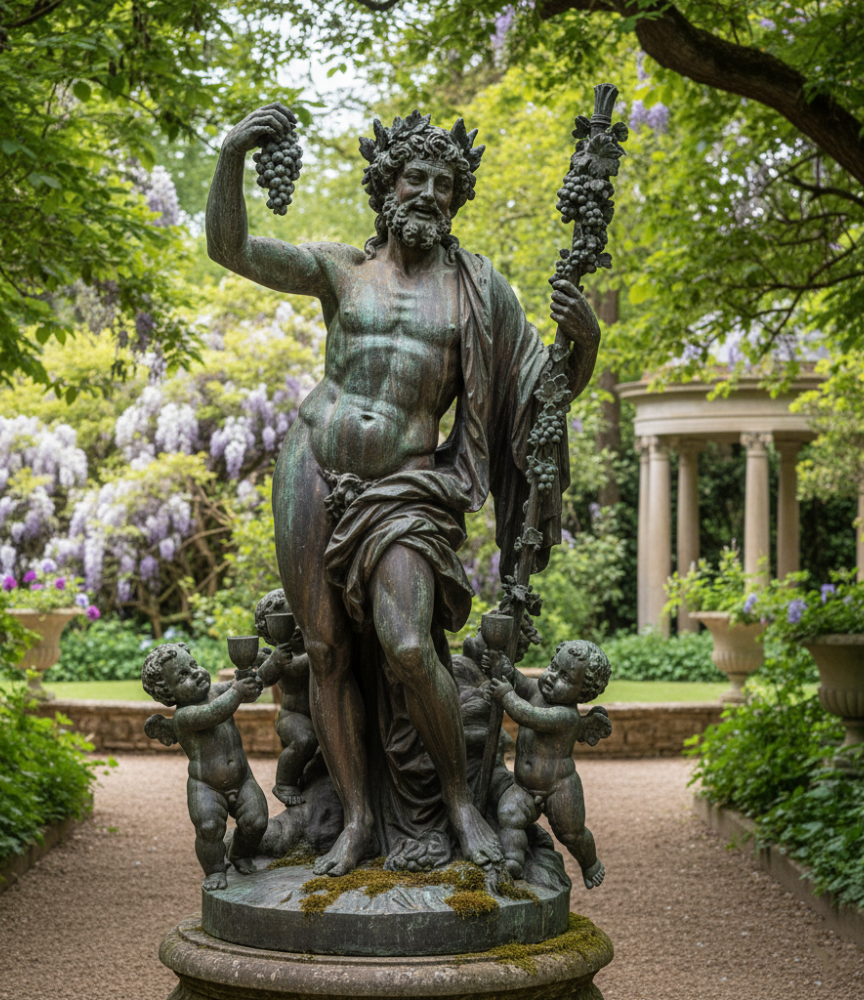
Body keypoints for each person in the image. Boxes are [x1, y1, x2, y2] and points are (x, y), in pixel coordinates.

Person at [206, 104, 602, 876]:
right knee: (323, 651)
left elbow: (541, 399)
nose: (428, 192)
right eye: (414, 177)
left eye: (444, 183)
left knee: (411, 646)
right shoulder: (340, 270)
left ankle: (457, 803)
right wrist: (230, 156)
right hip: (313, 463)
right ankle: (354, 820)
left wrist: (583, 339)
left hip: (409, 489)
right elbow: (232, 248)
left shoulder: (479, 293)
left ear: (457, 200)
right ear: (387, 188)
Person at [142, 643, 267, 891]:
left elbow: (247, 690)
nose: (197, 673)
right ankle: (214, 870)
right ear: (170, 694)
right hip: (206, 786)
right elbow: (214, 713)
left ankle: (239, 853)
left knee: (257, 822)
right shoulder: (183, 717)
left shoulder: (218, 691)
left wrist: (259, 670)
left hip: (242, 780)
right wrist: (237, 692)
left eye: (193, 665)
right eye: (183, 675)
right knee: (209, 828)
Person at [487, 640, 612, 887]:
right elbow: (519, 680)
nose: (552, 677)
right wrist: (505, 668)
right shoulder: (537, 690)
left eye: (565, 677)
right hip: (525, 786)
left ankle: (590, 863)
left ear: (582, 692)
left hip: (559, 789)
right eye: (554, 666)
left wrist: (506, 695)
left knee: (572, 834)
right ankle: (513, 860)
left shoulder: (566, 716)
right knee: (508, 815)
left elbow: (529, 716)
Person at [253, 589, 319, 807]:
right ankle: (284, 783)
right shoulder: (282, 655)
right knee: (304, 740)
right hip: (293, 716)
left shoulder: (311, 640)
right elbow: (263, 678)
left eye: (298, 618)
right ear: (272, 631)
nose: (297, 627)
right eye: (288, 623)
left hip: (320, 714)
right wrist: (274, 662)